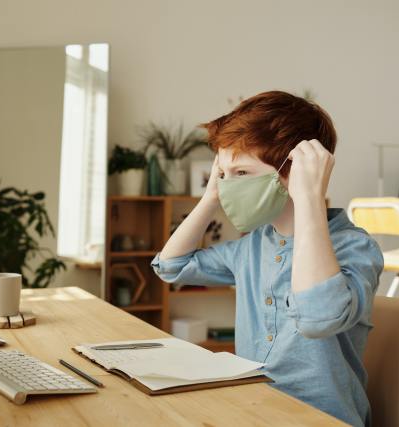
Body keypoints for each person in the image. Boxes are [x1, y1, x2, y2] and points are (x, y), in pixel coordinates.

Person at [151, 91, 383, 427]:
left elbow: (317, 319)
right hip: (253, 409)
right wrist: (211, 196)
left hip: (323, 419)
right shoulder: (253, 246)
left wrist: (308, 197)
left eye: (242, 173)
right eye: (223, 174)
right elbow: (172, 267)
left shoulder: (355, 247)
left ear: (293, 171)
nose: (229, 186)